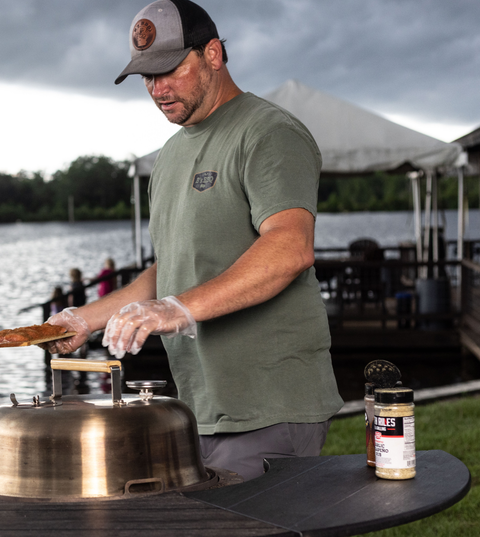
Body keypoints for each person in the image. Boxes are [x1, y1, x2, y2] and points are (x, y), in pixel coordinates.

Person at [45, 0, 343, 481]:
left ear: (213, 54)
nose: (158, 89)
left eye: (169, 70)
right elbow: (171, 271)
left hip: (269, 404)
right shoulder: (168, 157)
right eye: (146, 76)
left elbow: (291, 247)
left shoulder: (268, 132)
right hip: (196, 407)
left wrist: (176, 309)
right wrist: (85, 320)